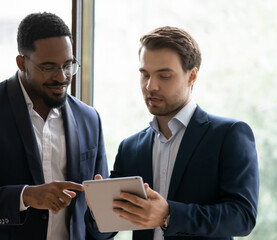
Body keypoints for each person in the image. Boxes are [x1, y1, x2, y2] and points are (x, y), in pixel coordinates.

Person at [0, 12, 110, 240]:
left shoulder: (90, 118)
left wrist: (104, 208)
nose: (62, 77)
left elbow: (100, 225)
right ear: (22, 63)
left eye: (68, 65)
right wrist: (25, 196)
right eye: (49, 67)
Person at [86, 26, 259, 240]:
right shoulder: (130, 148)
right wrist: (99, 211)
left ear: (192, 76)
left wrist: (168, 215)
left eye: (164, 76)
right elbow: (103, 232)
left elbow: (242, 218)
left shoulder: (229, 135)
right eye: (145, 75)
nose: (151, 86)